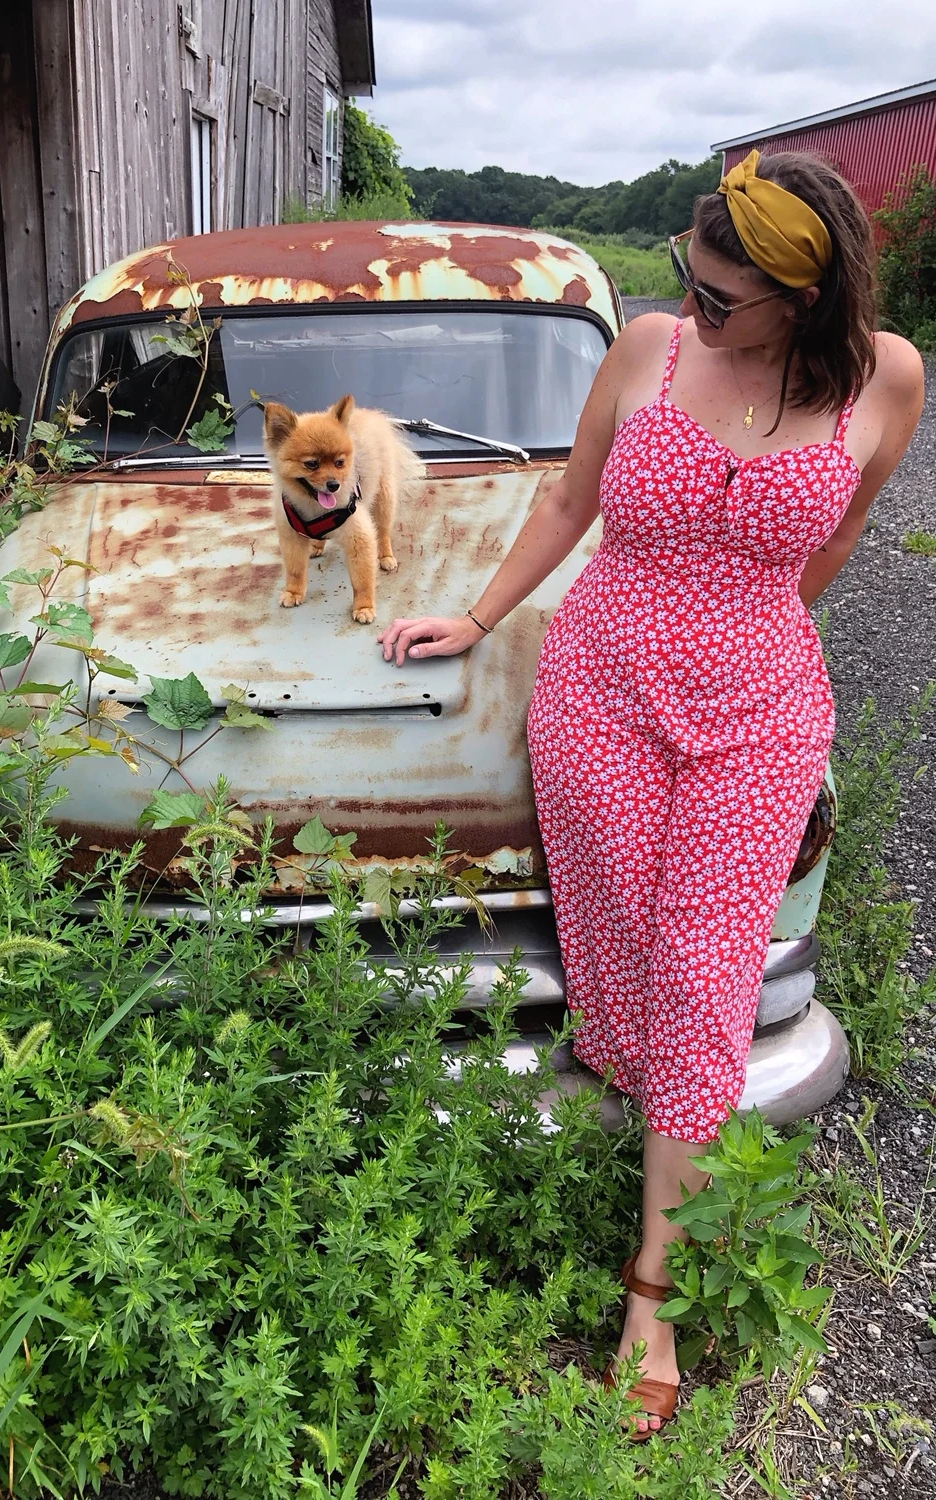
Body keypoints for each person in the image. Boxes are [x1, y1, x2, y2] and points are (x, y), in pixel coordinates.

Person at [378, 150, 924, 1437]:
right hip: (602, 690)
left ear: (808, 294)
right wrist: (474, 613)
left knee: (705, 968)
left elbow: (835, 536)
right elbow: (572, 499)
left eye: (725, 295)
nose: (697, 303)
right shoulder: (648, 352)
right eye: (693, 276)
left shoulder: (887, 377)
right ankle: (644, 1093)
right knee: (621, 930)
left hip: (758, 713)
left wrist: (745, 635)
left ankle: (652, 1294)